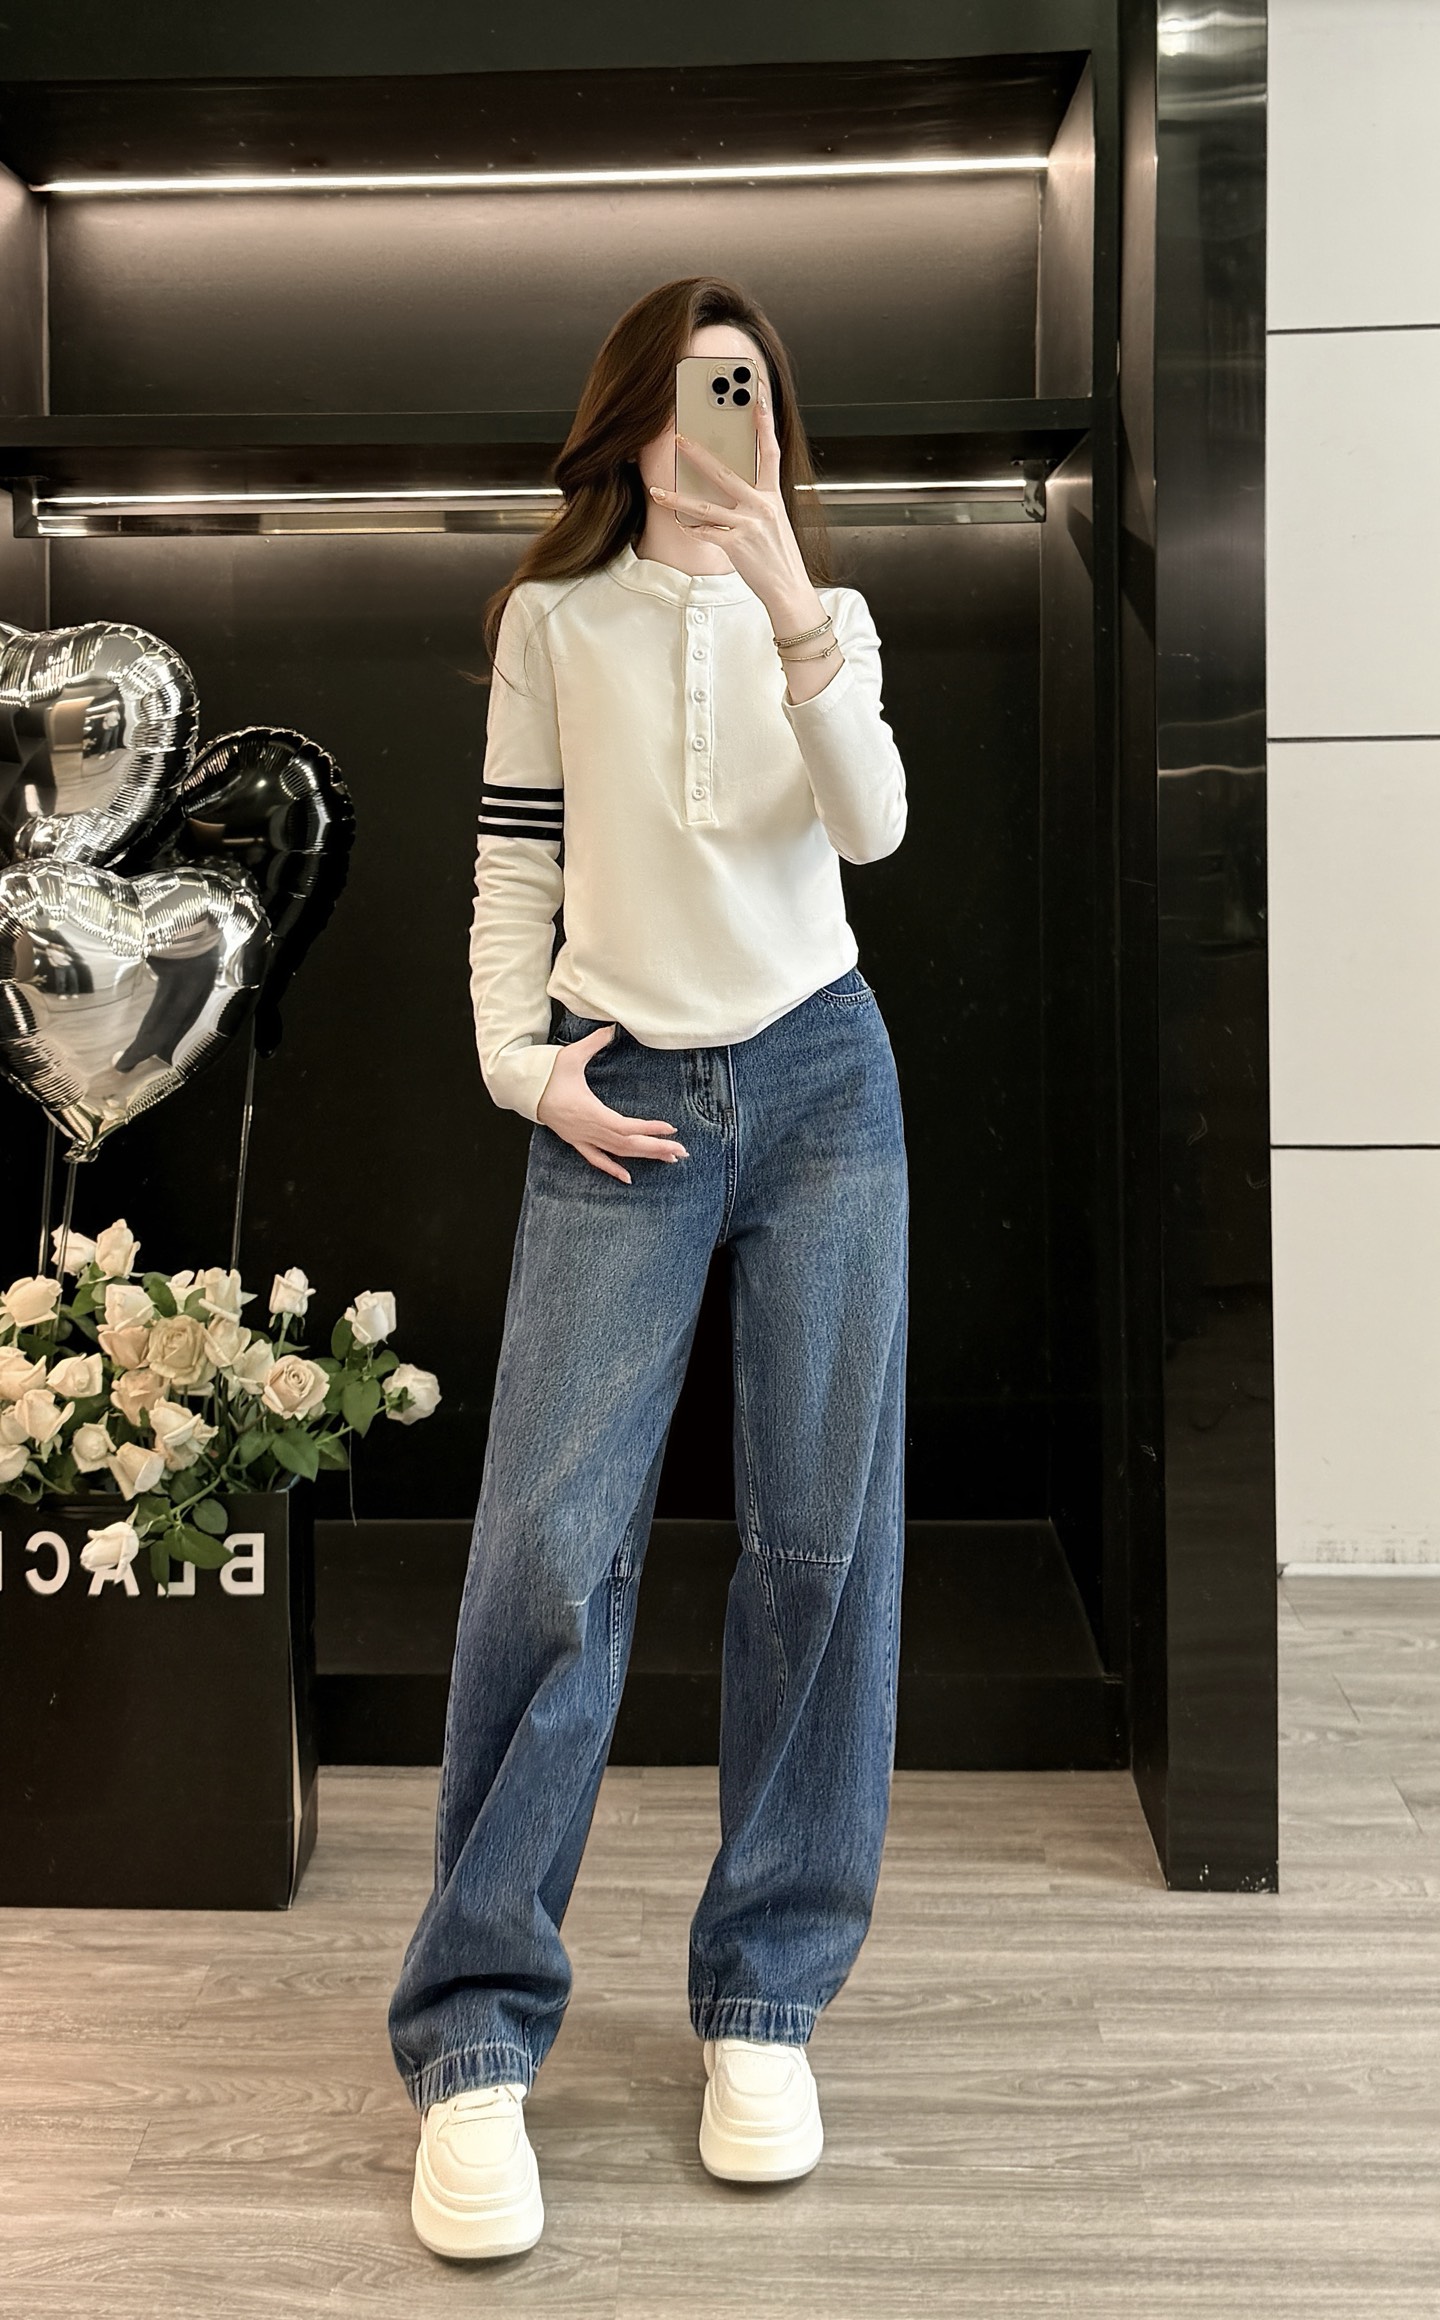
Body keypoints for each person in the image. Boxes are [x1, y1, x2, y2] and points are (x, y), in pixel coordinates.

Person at [387, 275, 910, 2261]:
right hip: (620, 1096)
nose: (721, 425)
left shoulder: (825, 616)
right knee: (549, 1551)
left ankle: (767, 1998)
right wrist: (523, 1067)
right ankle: (474, 2033)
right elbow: (515, 865)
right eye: (695, 394)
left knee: (818, 1541)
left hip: (825, 1084)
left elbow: (873, 823)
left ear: (778, 418)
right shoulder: (555, 624)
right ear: (631, 417)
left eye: (748, 393)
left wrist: (789, 604)